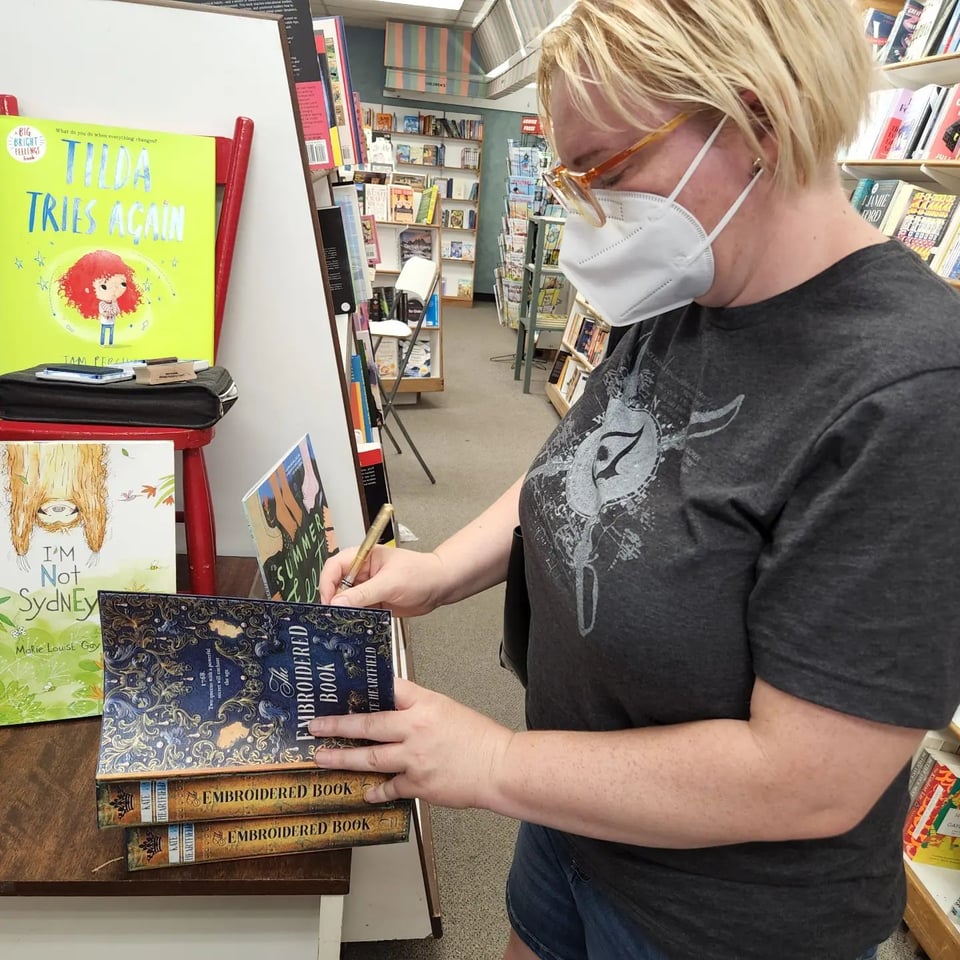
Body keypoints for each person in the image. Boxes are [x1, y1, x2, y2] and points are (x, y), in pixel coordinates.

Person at [312, 2, 960, 958]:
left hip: (722, 917)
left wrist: (494, 763)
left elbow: (809, 778)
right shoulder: (691, 284)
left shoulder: (914, 392)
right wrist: (440, 571)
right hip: (575, 811)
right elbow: (578, 465)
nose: (594, 211)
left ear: (756, 120)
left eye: (608, 171)